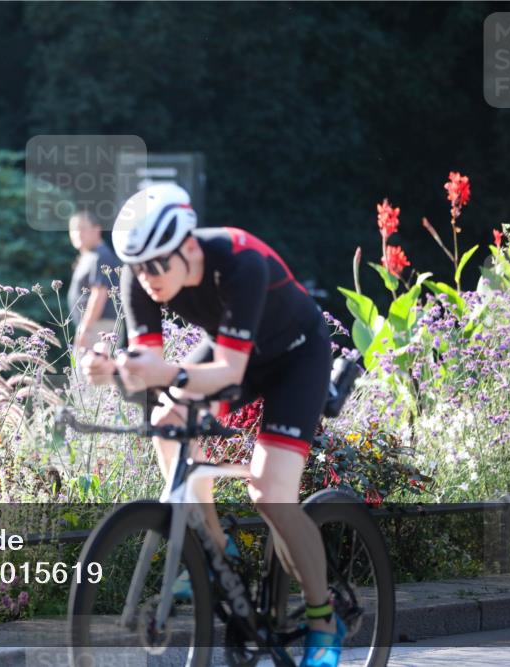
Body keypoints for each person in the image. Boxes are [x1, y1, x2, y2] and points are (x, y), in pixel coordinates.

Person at [80, 184, 346, 667]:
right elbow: (147, 366)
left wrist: (163, 375)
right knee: (167, 418)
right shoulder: (140, 277)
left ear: (187, 247)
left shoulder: (239, 262)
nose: (148, 278)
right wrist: (111, 369)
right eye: (138, 267)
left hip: (295, 357)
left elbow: (227, 374)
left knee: (269, 493)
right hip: (234, 354)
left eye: (157, 264)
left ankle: (323, 619)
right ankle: (215, 549)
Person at [67, 210, 122, 350]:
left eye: (82, 229)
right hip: (92, 326)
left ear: (97, 230)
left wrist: (85, 329)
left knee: (89, 370)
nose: (78, 234)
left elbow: (99, 294)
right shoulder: (89, 256)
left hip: (100, 327)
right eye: (73, 230)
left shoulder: (100, 256)